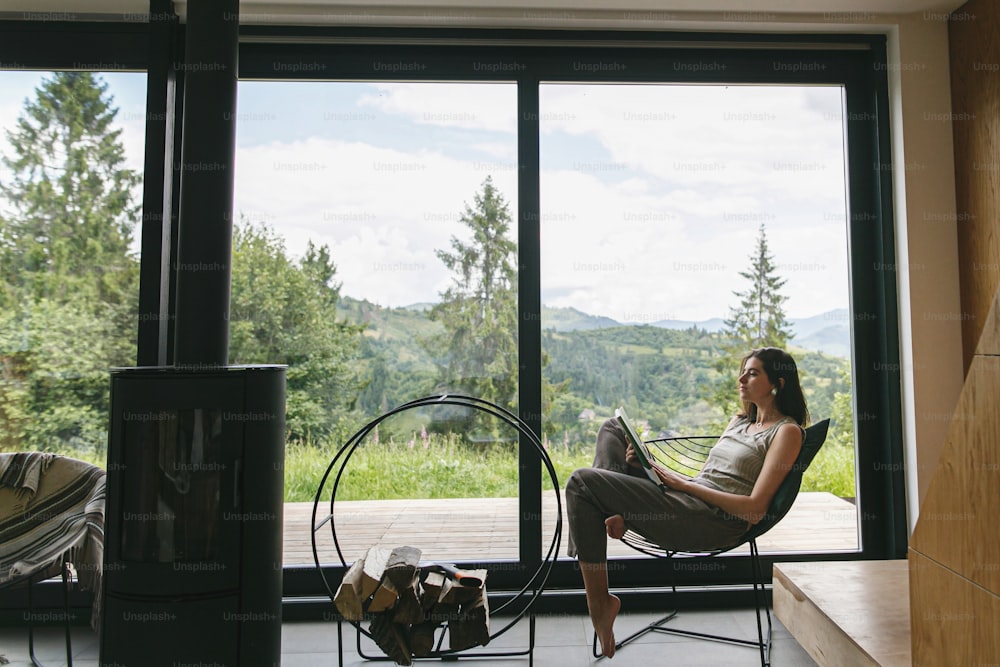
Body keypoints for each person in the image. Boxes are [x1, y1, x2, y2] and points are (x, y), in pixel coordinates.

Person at [565, 347, 809, 658]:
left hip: (711, 521)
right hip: (685, 500)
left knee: (581, 482)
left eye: (753, 373)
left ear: (779, 383)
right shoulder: (739, 422)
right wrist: (656, 472)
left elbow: (755, 508)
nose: (741, 378)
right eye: (743, 371)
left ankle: (598, 601)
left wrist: (682, 484)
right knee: (613, 429)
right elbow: (709, 477)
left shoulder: (786, 432)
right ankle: (616, 512)